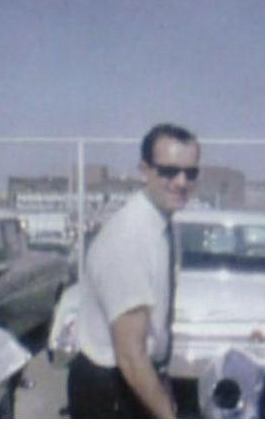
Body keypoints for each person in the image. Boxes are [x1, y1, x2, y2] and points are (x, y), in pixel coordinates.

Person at [67, 123, 201, 418]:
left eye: (191, 172)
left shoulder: (159, 225)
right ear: (145, 171)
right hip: (111, 390)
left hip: (132, 380)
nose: (181, 182)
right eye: (169, 171)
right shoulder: (129, 238)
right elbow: (131, 355)